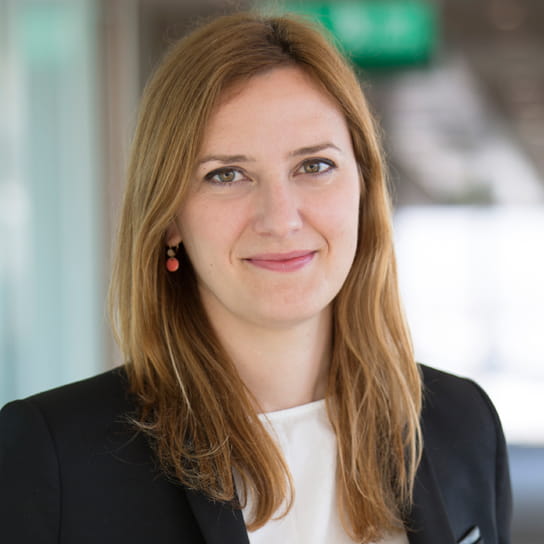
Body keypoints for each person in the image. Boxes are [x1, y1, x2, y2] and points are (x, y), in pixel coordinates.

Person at [0, 11, 511, 544]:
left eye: (314, 166)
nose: (281, 219)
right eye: (226, 174)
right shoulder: (56, 458)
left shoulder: (462, 423)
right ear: (169, 216)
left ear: (363, 188)